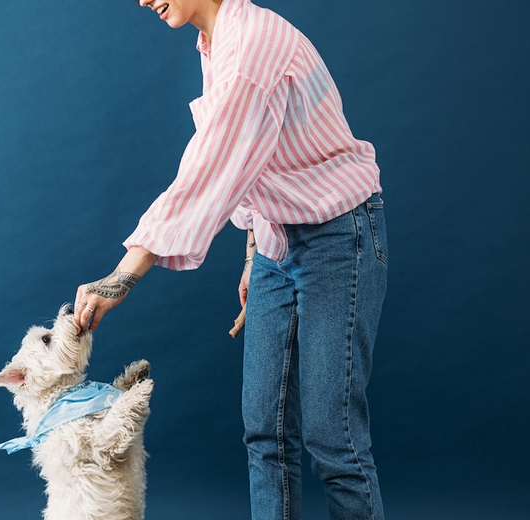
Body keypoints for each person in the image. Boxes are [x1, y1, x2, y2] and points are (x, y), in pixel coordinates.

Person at [73, 1, 388, 518]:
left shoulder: (250, 49)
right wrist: (253, 253)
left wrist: (120, 278)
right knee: (265, 431)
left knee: (334, 440)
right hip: (274, 243)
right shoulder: (215, 42)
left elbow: (208, 172)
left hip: (338, 237)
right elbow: (253, 161)